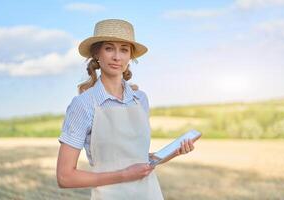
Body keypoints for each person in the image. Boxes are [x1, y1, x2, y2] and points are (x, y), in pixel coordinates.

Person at [56, 19, 196, 200]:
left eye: (124, 49)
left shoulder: (140, 100)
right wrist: (124, 175)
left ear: (130, 56)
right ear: (97, 53)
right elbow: (65, 177)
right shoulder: (83, 104)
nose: (117, 57)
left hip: (150, 194)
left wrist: (173, 152)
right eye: (109, 48)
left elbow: (136, 160)